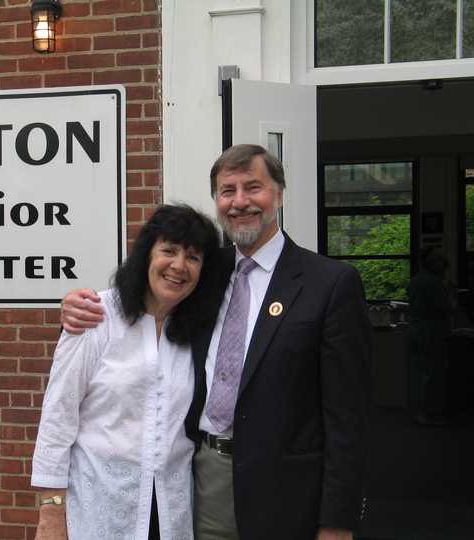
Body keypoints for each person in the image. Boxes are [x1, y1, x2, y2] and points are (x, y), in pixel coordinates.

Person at [61, 145, 372, 540]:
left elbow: (348, 418)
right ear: (217, 201)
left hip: (289, 492)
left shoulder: (330, 283)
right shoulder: (202, 271)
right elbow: (143, 301)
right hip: (203, 480)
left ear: (278, 193)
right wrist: (76, 308)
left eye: (253, 187)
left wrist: (337, 522)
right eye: (227, 191)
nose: (240, 201)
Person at [31, 205, 221, 540]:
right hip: (97, 506)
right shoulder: (95, 317)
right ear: (146, 255)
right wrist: (51, 510)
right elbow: (58, 418)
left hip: (171, 510)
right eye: (169, 250)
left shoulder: (197, 332)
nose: (179, 266)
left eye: (193, 257)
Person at [408, 247, 452, 425]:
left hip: (418, 329)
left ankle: (420, 411)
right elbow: (447, 308)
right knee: (432, 374)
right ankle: (428, 412)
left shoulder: (416, 280)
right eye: (438, 260)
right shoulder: (434, 283)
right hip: (432, 332)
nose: (442, 264)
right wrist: (452, 294)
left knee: (421, 372)